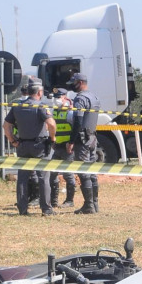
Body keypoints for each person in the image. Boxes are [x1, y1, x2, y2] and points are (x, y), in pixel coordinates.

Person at [3, 80, 55, 216]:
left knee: (22, 178)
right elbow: (51, 124)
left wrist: (12, 141)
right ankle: (46, 209)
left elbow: (6, 126)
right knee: (43, 177)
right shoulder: (41, 106)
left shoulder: (17, 107)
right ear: (39, 92)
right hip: (39, 146)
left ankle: (22, 209)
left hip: (22, 145)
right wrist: (52, 138)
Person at [68, 73, 101, 213]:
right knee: (92, 172)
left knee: (83, 172)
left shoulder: (80, 99)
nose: (72, 85)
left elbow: (78, 121)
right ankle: (94, 204)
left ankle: (88, 206)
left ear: (80, 82)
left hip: (82, 140)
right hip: (92, 137)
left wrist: (71, 141)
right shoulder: (94, 97)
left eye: (74, 82)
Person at [48, 89, 77, 207]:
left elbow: (76, 129)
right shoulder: (54, 110)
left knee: (68, 174)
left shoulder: (70, 111)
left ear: (65, 97)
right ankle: (53, 201)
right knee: (52, 173)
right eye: (55, 96)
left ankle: (70, 201)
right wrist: (53, 140)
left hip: (68, 147)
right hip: (57, 146)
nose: (56, 99)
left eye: (59, 96)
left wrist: (71, 143)